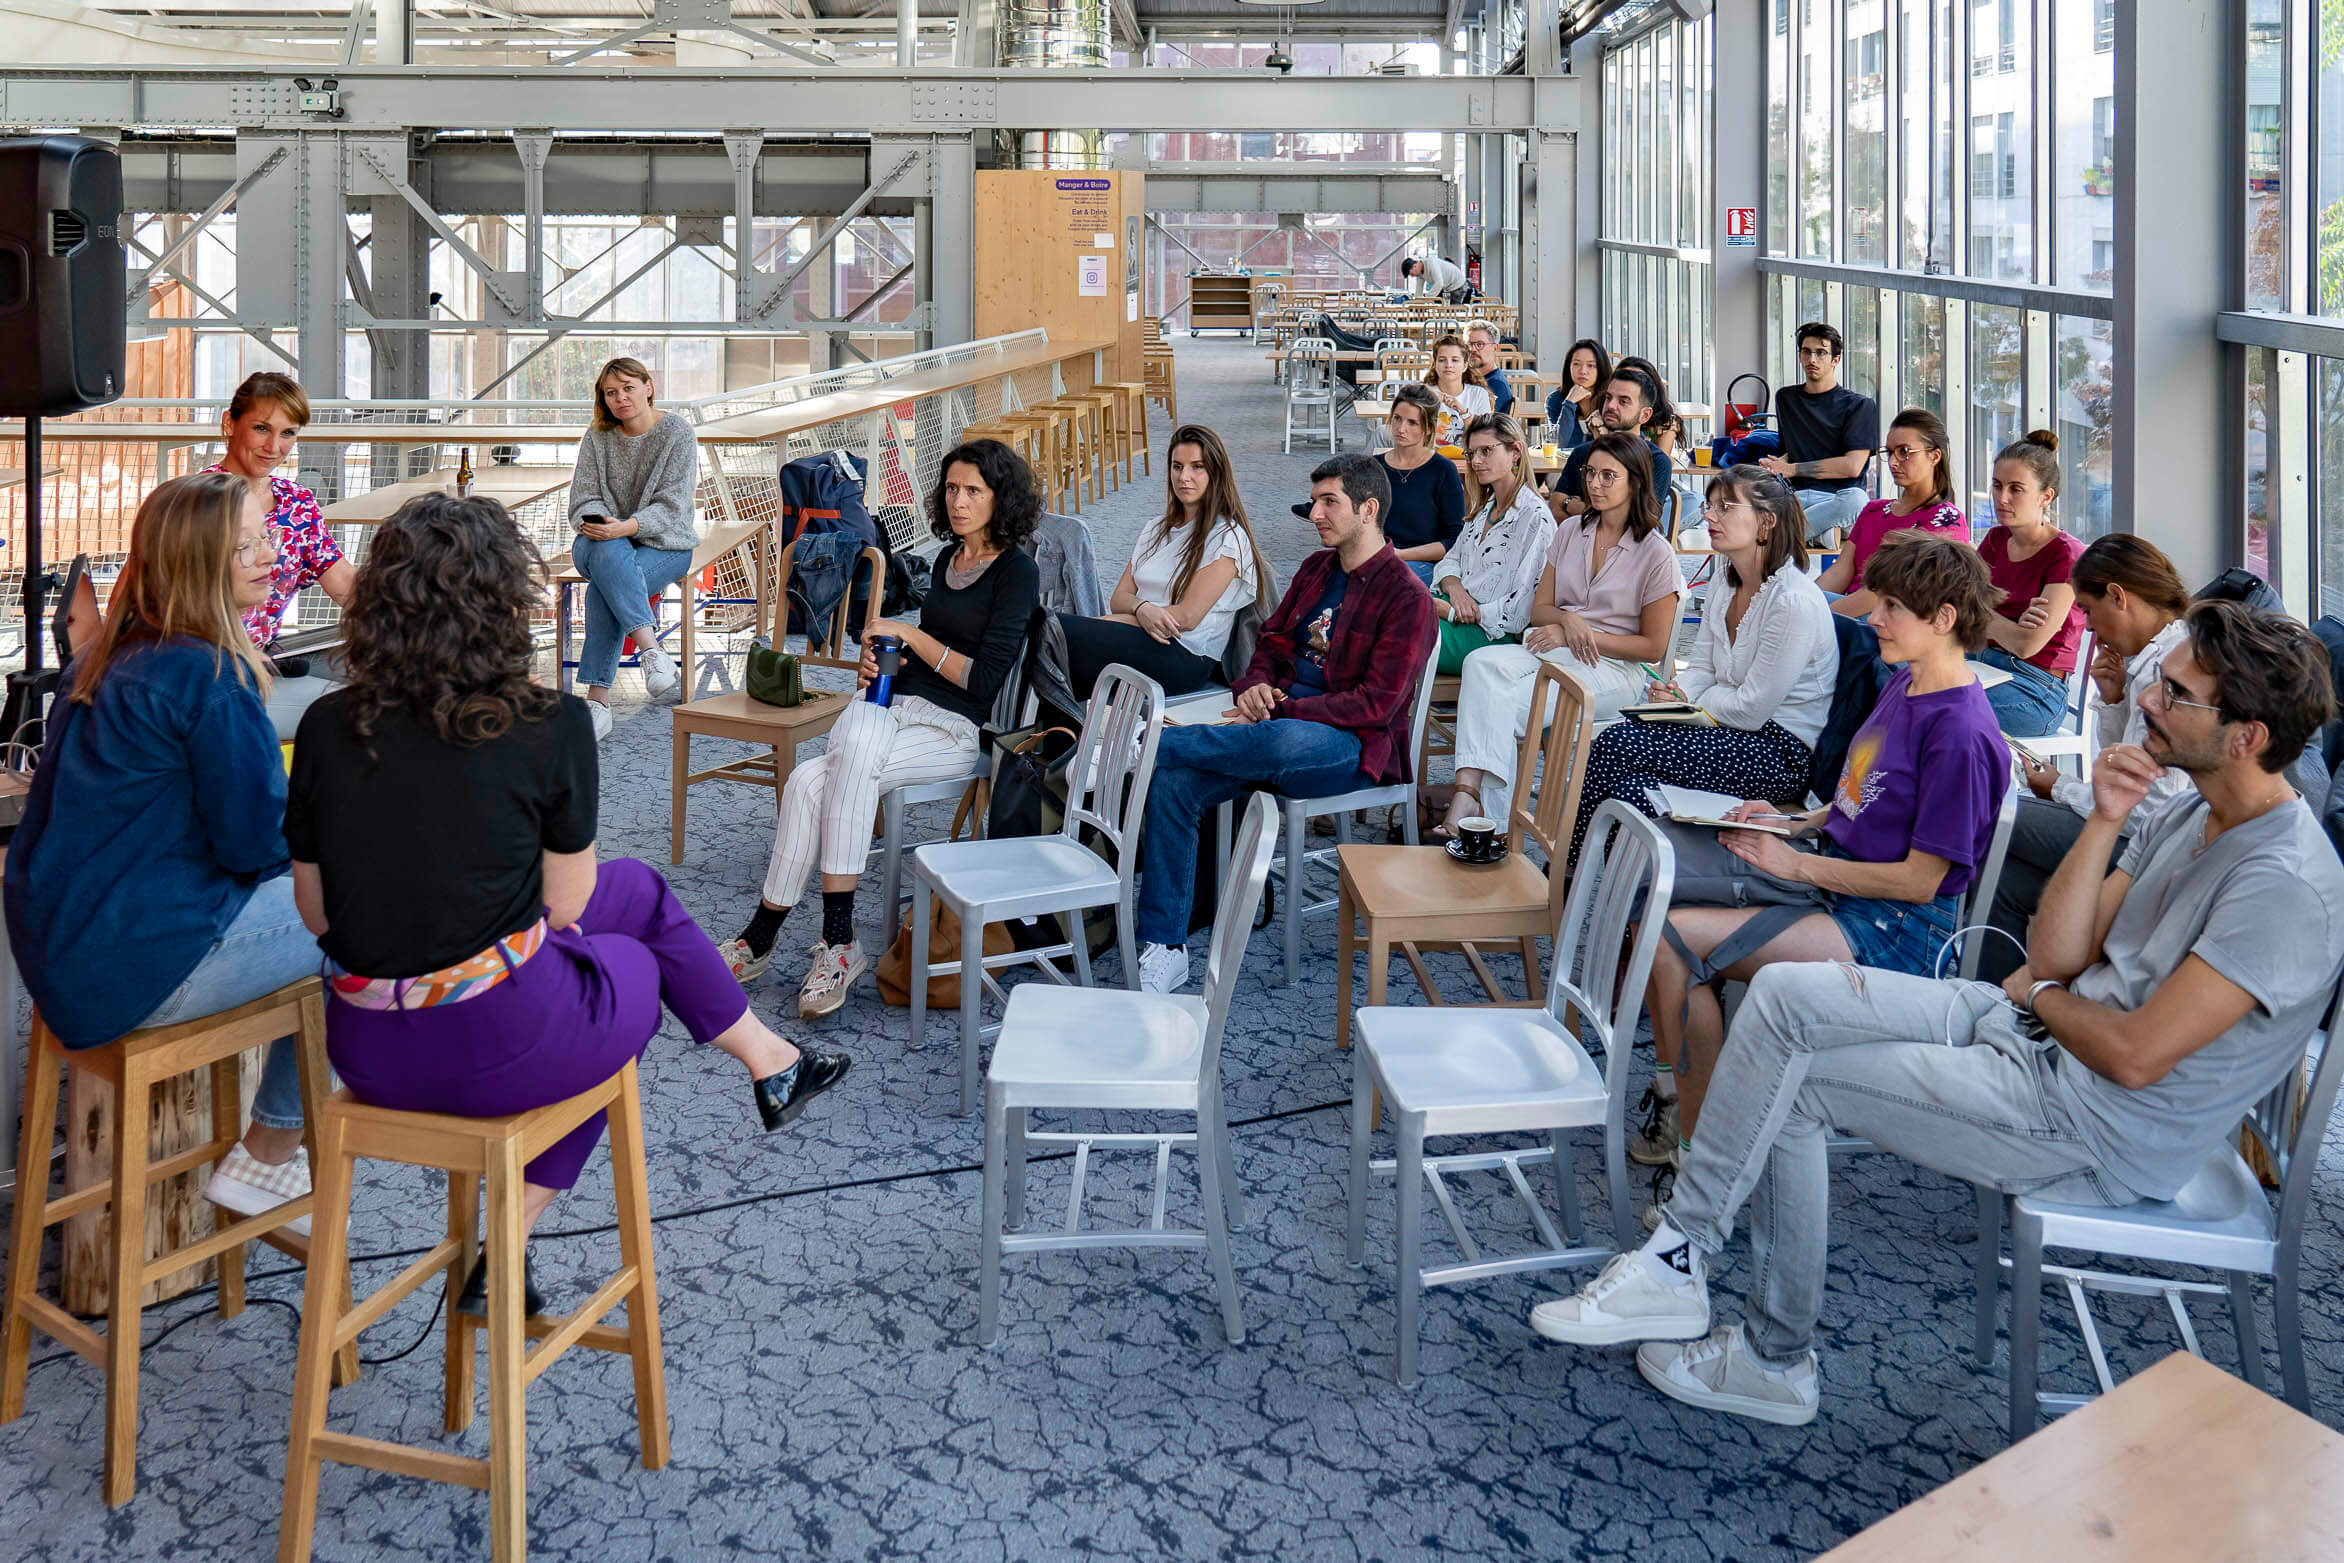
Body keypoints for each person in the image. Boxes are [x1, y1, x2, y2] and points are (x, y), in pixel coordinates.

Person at [1528, 600, 2344, 1430]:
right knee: (1777, 1001)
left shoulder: (2283, 885)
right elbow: (2060, 951)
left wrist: (2044, 996)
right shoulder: (2187, 809)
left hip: (2096, 1120)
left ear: (2247, 735)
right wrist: (2101, 821)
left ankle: (1773, 1356)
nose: (2150, 701)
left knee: (1799, 1086)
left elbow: (2133, 1054)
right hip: (2033, 1033)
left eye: (2177, 693)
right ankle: (1678, 1258)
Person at [287, 492, 849, 1316]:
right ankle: (509, 1234)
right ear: (504, 603)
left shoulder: (328, 724)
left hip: (367, 1047)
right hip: (494, 1045)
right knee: (626, 970)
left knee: (640, 893)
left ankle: (773, 1062)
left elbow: (317, 913)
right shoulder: (546, 723)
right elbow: (565, 906)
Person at [4, 471, 323, 1231]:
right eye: (245, 544)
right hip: (136, 971)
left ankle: (274, 1151)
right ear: (195, 562)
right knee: (367, 911)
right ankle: (274, 1146)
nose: (269, 553)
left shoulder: (106, 657)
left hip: (63, 960)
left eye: (265, 536)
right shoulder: (212, 675)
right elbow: (255, 849)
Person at [1632, 534, 2010, 1164]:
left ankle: (1700, 1143)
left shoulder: (1962, 734)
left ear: (1944, 620)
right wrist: (1798, 820)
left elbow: (1921, 882)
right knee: (1656, 895)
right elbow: (1865, 793)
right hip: (1836, 880)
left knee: (1671, 938)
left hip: (1894, 929)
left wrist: (1798, 862)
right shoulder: (1906, 682)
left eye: (1892, 608)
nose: (1873, 618)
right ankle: (1694, 1102)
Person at [721, 439, 1042, 1016]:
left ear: (1001, 497)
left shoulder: (1017, 571)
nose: (960, 501)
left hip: (953, 731)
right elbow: (929, 653)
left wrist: (913, 637)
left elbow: (985, 680)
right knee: (809, 782)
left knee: (821, 776)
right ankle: (826, 943)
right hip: (897, 710)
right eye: (952, 490)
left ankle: (778, 939)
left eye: (974, 490)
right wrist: (883, 662)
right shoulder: (949, 559)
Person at [1131, 453, 1435, 997]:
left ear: (1367, 510)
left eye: (1328, 502)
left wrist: (1282, 708)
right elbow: (1270, 641)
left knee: (1282, 739)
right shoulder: (1316, 570)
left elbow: (1376, 706)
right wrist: (1254, 688)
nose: (1314, 513)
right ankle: (1166, 945)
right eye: (1314, 501)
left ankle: (1150, 744)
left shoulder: (1407, 597)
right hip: (1270, 727)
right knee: (1176, 784)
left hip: (1351, 746)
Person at [1567, 468, 1836, 867]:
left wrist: (1695, 699)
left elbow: (1751, 710)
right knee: (1627, 781)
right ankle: (1602, 882)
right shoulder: (1726, 583)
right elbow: (1702, 667)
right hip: (1725, 729)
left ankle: (1574, 874)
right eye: (1710, 505)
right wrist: (1682, 692)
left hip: (1781, 752)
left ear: (1766, 521)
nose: (1709, 516)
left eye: (1725, 507)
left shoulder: (1792, 600)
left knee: (1615, 745)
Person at [1976, 534, 2194, 983]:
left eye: (2089, 612)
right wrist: (2115, 702)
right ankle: (1994, 990)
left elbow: (2145, 810)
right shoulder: (2152, 661)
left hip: (2146, 848)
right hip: (2139, 833)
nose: (2089, 630)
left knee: (1988, 813)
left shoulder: (2172, 671)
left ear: (2118, 596)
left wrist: (2058, 787)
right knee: (2006, 876)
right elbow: (2123, 764)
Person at [1441, 433, 1682, 835]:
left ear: (1636, 482)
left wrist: (1576, 630)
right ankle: (1483, 812)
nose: (1595, 484)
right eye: (1591, 473)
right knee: (1480, 662)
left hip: (1614, 668)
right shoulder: (1571, 531)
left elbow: (1652, 648)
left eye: (1609, 476)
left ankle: (1483, 813)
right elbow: (1541, 610)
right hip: (1555, 647)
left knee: (1501, 704)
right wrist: (1567, 623)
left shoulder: (1656, 553)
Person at [1057, 424, 1273, 702]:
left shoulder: (1228, 537)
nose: (1184, 477)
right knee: (1051, 647)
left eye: (1197, 467)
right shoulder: (1155, 529)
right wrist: (1142, 610)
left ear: (1215, 473)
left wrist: (1116, 622)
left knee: (1053, 630)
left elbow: (1186, 618)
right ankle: (1053, 733)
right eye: (1177, 466)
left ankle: (1046, 734)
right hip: (1137, 636)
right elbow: (1119, 597)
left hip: (1184, 655)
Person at [206, 372, 355, 738]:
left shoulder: (297, 503)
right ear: (230, 422)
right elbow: (141, 601)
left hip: (260, 668)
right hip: (206, 674)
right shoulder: (196, 500)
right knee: (352, 717)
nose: (274, 446)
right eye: (261, 428)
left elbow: (345, 586)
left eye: (288, 433)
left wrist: (424, 618)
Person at [568, 356, 704, 742]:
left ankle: (597, 702)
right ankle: (651, 650)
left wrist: (627, 527)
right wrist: (598, 524)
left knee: (606, 585)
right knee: (611, 557)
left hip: (666, 545)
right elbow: (582, 497)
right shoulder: (597, 436)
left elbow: (674, 505)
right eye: (611, 392)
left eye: (628, 388)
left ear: (648, 386)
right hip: (597, 544)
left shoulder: (677, 433)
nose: (620, 398)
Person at [1973, 430, 2088, 737]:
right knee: (1895, 680)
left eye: (2016, 489)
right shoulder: (1997, 539)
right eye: (1997, 486)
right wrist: (2008, 626)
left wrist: (1982, 615)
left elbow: (2027, 645)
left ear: (2045, 496)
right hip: (1983, 665)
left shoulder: (2067, 555)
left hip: (2036, 690)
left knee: (1936, 707)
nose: (2002, 498)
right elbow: (1960, 604)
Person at [1431, 413, 1555, 676]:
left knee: (1395, 634)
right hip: (1452, 611)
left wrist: (1452, 613)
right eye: (1471, 453)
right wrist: (1455, 591)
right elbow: (1450, 560)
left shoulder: (1535, 517)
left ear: (1516, 452)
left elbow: (1523, 606)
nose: (1475, 461)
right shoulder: (1485, 508)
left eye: (1486, 451)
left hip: (1492, 635)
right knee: (1385, 611)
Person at [1817, 407, 1968, 617]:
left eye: (1904, 451)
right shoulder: (1873, 510)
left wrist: (1818, 616)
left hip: (1886, 623)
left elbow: (1888, 592)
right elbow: (1839, 572)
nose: (1893, 462)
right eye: (1889, 452)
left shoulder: (1946, 521)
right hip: (1846, 615)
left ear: (1934, 456)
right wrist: (1808, 599)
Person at [1760, 322, 1879, 544]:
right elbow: (1791, 451)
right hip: (1794, 497)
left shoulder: (1859, 406)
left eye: (1821, 353)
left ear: (1836, 359)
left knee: (1858, 500)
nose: (1812, 359)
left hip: (1838, 500)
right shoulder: (1786, 398)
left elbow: (1852, 466)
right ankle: (1817, 532)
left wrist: (1791, 469)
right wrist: (1775, 465)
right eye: (1806, 352)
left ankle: (1784, 537)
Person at [1550, 367, 1673, 523]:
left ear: (1645, 415)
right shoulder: (1582, 452)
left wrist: (1573, 506)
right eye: (1608, 398)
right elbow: (1555, 505)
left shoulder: (1656, 461)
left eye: (1623, 401)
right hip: (1575, 545)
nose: (1610, 406)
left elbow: (1636, 521)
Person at [1375, 384, 1468, 585]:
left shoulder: (1443, 471)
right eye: (1398, 419)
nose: (1401, 429)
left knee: (1386, 581)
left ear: (1427, 429)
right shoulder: (1376, 466)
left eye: (1412, 423)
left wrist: (1400, 554)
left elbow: (1453, 541)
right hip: (1377, 558)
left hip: (1423, 562)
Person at [1420, 334, 1493, 447]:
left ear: (1464, 366)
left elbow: (1485, 438)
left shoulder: (1479, 394)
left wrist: (1464, 413)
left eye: (1454, 360)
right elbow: (1414, 437)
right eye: (1442, 360)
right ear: (1435, 365)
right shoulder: (1423, 393)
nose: (1448, 365)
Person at [1544, 338, 1612, 450]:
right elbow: (1560, 443)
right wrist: (1569, 403)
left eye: (1590, 365)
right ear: (1568, 367)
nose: (1583, 371)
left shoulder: (1611, 399)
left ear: (1601, 368)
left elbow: (1614, 445)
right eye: (1576, 364)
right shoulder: (1556, 400)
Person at [1465, 320, 1515, 417]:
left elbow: (1484, 426)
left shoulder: (1496, 385)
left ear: (1494, 348)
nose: (1473, 349)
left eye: (1480, 344)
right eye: (1469, 344)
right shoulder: (1477, 378)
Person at [1400, 254, 1469, 299]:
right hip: (1448, 287)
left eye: (1411, 274)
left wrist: (1427, 299)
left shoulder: (1431, 263)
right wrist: (1416, 304)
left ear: (1414, 266)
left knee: (1452, 313)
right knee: (1445, 312)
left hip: (1458, 284)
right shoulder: (1419, 274)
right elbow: (1419, 291)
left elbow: (1439, 283)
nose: (1412, 276)